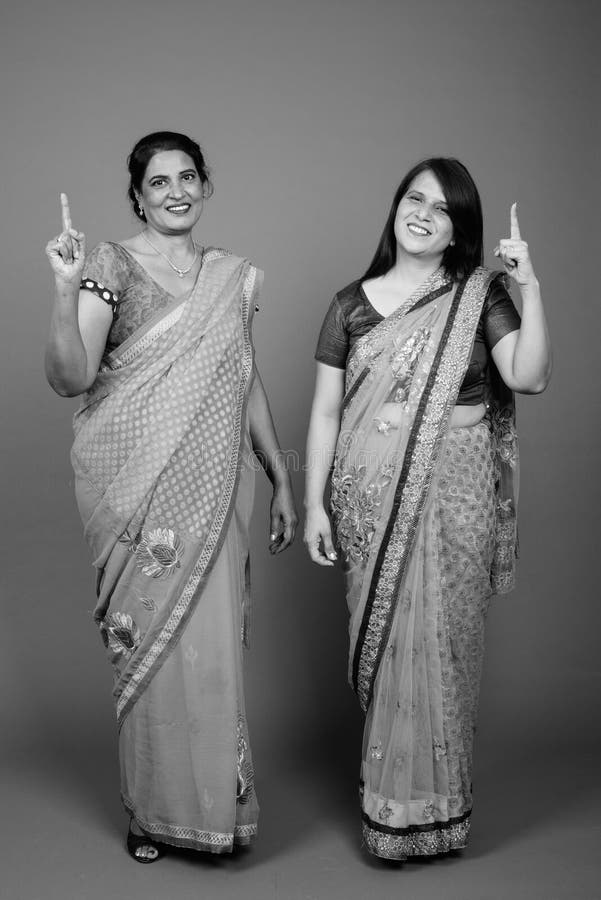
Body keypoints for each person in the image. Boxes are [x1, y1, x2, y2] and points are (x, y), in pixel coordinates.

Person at [45, 131, 297, 862]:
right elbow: (70, 378)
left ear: (205, 185)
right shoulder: (108, 266)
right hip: (134, 493)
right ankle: (151, 812)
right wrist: (64, 292)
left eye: (188, 177)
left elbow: (242, 378)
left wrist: (281, 472)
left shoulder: (231, 276)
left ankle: (213, 813)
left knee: (211, 651)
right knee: (149, 653)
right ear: (138, 195)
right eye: (159, 183)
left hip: (216, 489)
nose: (176, 192)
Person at [304, 158, 551, 861]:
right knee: (392, 648)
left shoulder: (481, 296)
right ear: (395, 207)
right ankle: (390, 810)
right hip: (370, 492)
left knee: (445, 640)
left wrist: (529, 287)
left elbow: (527, 378)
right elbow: (325, 412)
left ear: (456, 230)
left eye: (440, 208)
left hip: (461, 487)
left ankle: (439, 812)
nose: (421, 212)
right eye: (413, 197)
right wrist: (311, 501)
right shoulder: (348, 303)